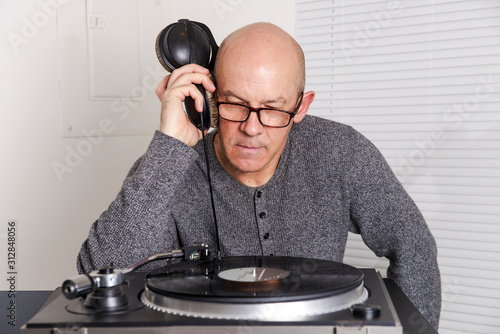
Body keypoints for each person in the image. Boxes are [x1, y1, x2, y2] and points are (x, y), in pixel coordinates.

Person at [77, 22, 441, 329]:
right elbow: (102, 268)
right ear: (209, 94)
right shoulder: (169, 164)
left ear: (301, 106)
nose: (252, 128)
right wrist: (171, 145)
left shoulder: (342, 151)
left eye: (272, 108)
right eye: (234, 104)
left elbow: (413, 246)